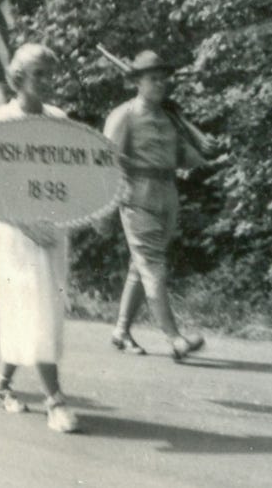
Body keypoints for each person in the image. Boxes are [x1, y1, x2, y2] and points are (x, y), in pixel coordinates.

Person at [0, 43, 80, 434]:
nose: (46, 81)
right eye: (39, 73)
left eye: (50, 73)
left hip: (53, 230)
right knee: (32, 306)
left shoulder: (59, 119)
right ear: (18, 77)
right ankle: (55, 401)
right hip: (15, 233)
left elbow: (72, 176)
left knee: (45, 310)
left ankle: (2, 382)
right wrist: (20, 220)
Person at [103, 50, 208, 360]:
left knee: (142, 266)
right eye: (153, 79)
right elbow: (106, 159)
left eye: (163, 79)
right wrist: (107, 206)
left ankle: (121, 331)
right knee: (153, 267)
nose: (160, 84)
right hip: (136, 196)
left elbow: (183, 157)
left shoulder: (169, 117)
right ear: (137, 82)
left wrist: (205, 151)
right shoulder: (124, 115)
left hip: (167, 195)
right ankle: (174, 338)